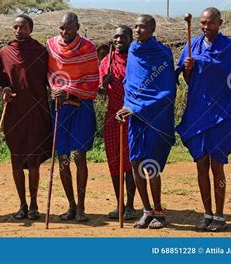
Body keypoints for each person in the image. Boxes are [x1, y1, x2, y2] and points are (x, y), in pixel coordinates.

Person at [177, 7, 231, 232]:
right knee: (200, 165)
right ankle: (206, 213)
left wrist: (204, 63)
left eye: (211, 23)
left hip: (221, 114)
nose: (206, 27)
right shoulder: (192, 45)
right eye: (203, 23)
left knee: (217, 166)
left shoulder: (230, 48)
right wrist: (188, 69)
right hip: (197, 112)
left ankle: (220, 215)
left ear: (220, 22)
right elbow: (188, 80)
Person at [116, 15, 176, 229]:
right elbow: (130, 83)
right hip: (134, 116)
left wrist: (138, 107)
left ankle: (159, 212)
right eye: (136, 26)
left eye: (142, 26)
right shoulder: (133, 50)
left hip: (155, 117)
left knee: (150, 165)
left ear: (152, 28)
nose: (138, 29)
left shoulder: (162, 53)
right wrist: (125, 107)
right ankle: (146, 210)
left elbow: (168, 89)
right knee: (135, 161)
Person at [0, 15, 52, 220]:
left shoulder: (41, 52)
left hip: (37, 113)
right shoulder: (4, 52)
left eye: (23, 27)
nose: (18, 30)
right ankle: (22, 204)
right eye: (16, 27)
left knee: (35, 161)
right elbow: (0, 80)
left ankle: (35, 205)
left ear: (31, 28)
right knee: (17, 160)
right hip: (14, 113)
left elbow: (51, 79)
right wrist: (4, 90)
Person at [47, 12, 99, 222]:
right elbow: (50, 75)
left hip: (82, 108)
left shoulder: (88, 48)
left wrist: (69, 91)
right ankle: (70, 205)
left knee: (79, 156)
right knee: (63, 158)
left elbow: (92, 81)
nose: (64, 32)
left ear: (77, 26)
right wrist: (57, 90)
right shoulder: (51, 46)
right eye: (61, 28)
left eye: (68, 28)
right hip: (60, 109)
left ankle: (82, 207)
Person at [98, 26, 136, 220]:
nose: (118, 40)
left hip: (133, 116)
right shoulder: (107, 61)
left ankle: (130, 205)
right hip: (113, 116)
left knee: (131, 162)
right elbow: (101, 92)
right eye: (115, 37)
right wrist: (103, 85)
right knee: (115, 162)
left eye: (122, 36)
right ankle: (119, 204)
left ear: (130, 38)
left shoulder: (136, 60)